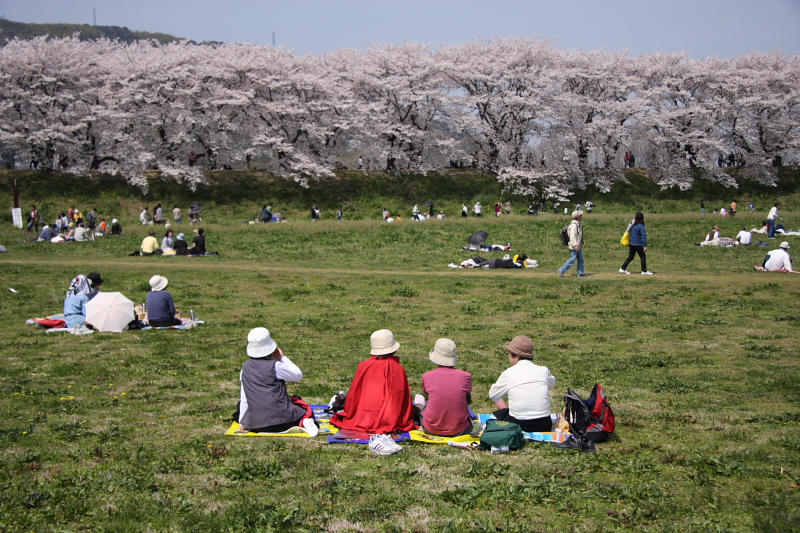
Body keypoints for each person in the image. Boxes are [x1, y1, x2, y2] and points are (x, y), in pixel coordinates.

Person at [234, 327, 318, 436]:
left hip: (256, 424)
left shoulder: (244, 369)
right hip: (283, 421)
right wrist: (282, 357)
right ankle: (307, 421)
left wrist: (243, 421)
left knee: (241, 404)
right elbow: (298, 375)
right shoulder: (276, 366)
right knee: (303, 409)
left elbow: (245, 396)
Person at [330, 329, 415, 434]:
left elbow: (354, 395)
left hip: (360, 418)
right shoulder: (396, 368)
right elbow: (399, 399)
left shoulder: (363, 366)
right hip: (387, 419)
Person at [489, 335, 555, 432]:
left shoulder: (509, 373)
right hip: (544, 424)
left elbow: (493, 395)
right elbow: (551, 385)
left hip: (519, 425)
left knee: (501, 413)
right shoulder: (543, 370)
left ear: (515, 356)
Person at [416, 339, 473, 437]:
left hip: (430, 429)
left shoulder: (427, 376)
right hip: (460, 430)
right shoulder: (466, 376)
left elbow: (427, 392)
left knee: (424, 402)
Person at [558, 210, 586, 277]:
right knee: (573, 259)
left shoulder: (578, 224)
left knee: (581, 259)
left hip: (578, 245)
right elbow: (573, 237)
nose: (581, 216)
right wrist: (575, 245)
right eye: (580, 215)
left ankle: (580, 272)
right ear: (578, 217)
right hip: (574, 245)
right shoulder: (574, 225)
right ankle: (561, 270)